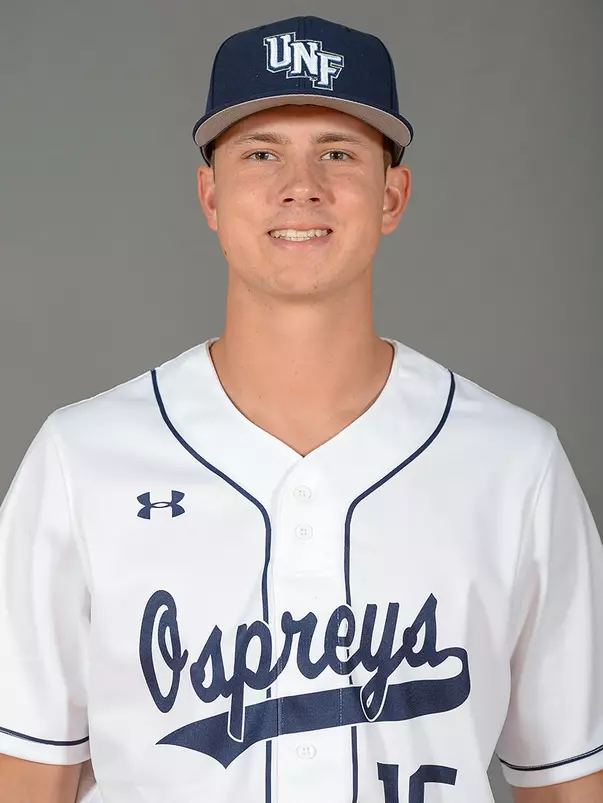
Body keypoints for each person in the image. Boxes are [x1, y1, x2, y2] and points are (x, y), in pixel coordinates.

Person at [0, 14, 602, 803]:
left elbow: (569, 782)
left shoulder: (515, 465)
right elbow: (26, 778)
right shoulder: (82, 458)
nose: (301, 185)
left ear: (393, 195)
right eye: (261, 152)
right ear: (209, 194)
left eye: (339, 153)